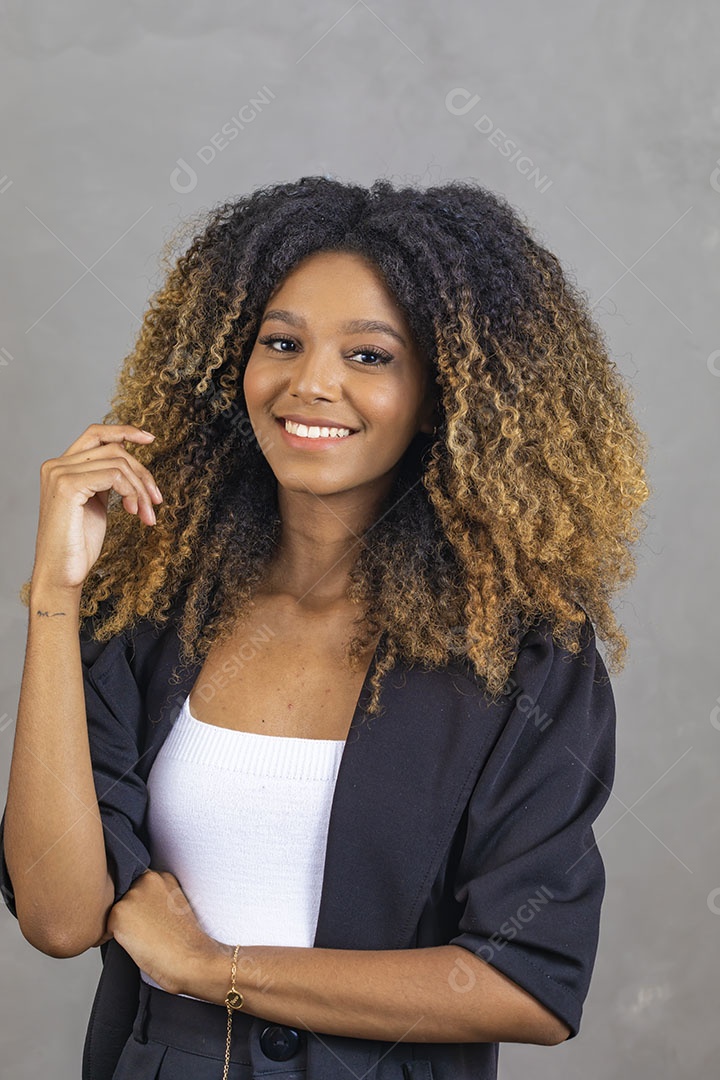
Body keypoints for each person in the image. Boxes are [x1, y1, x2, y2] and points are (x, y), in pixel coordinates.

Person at [0, 175, 650, 1080]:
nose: (311, 384)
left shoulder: (524, 654)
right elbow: (60, 917)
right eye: (282, 342)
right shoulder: (151, 610)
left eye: (370, 356)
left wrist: (211, 971)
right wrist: (54, 594)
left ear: (446, 392)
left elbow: (528, 986)